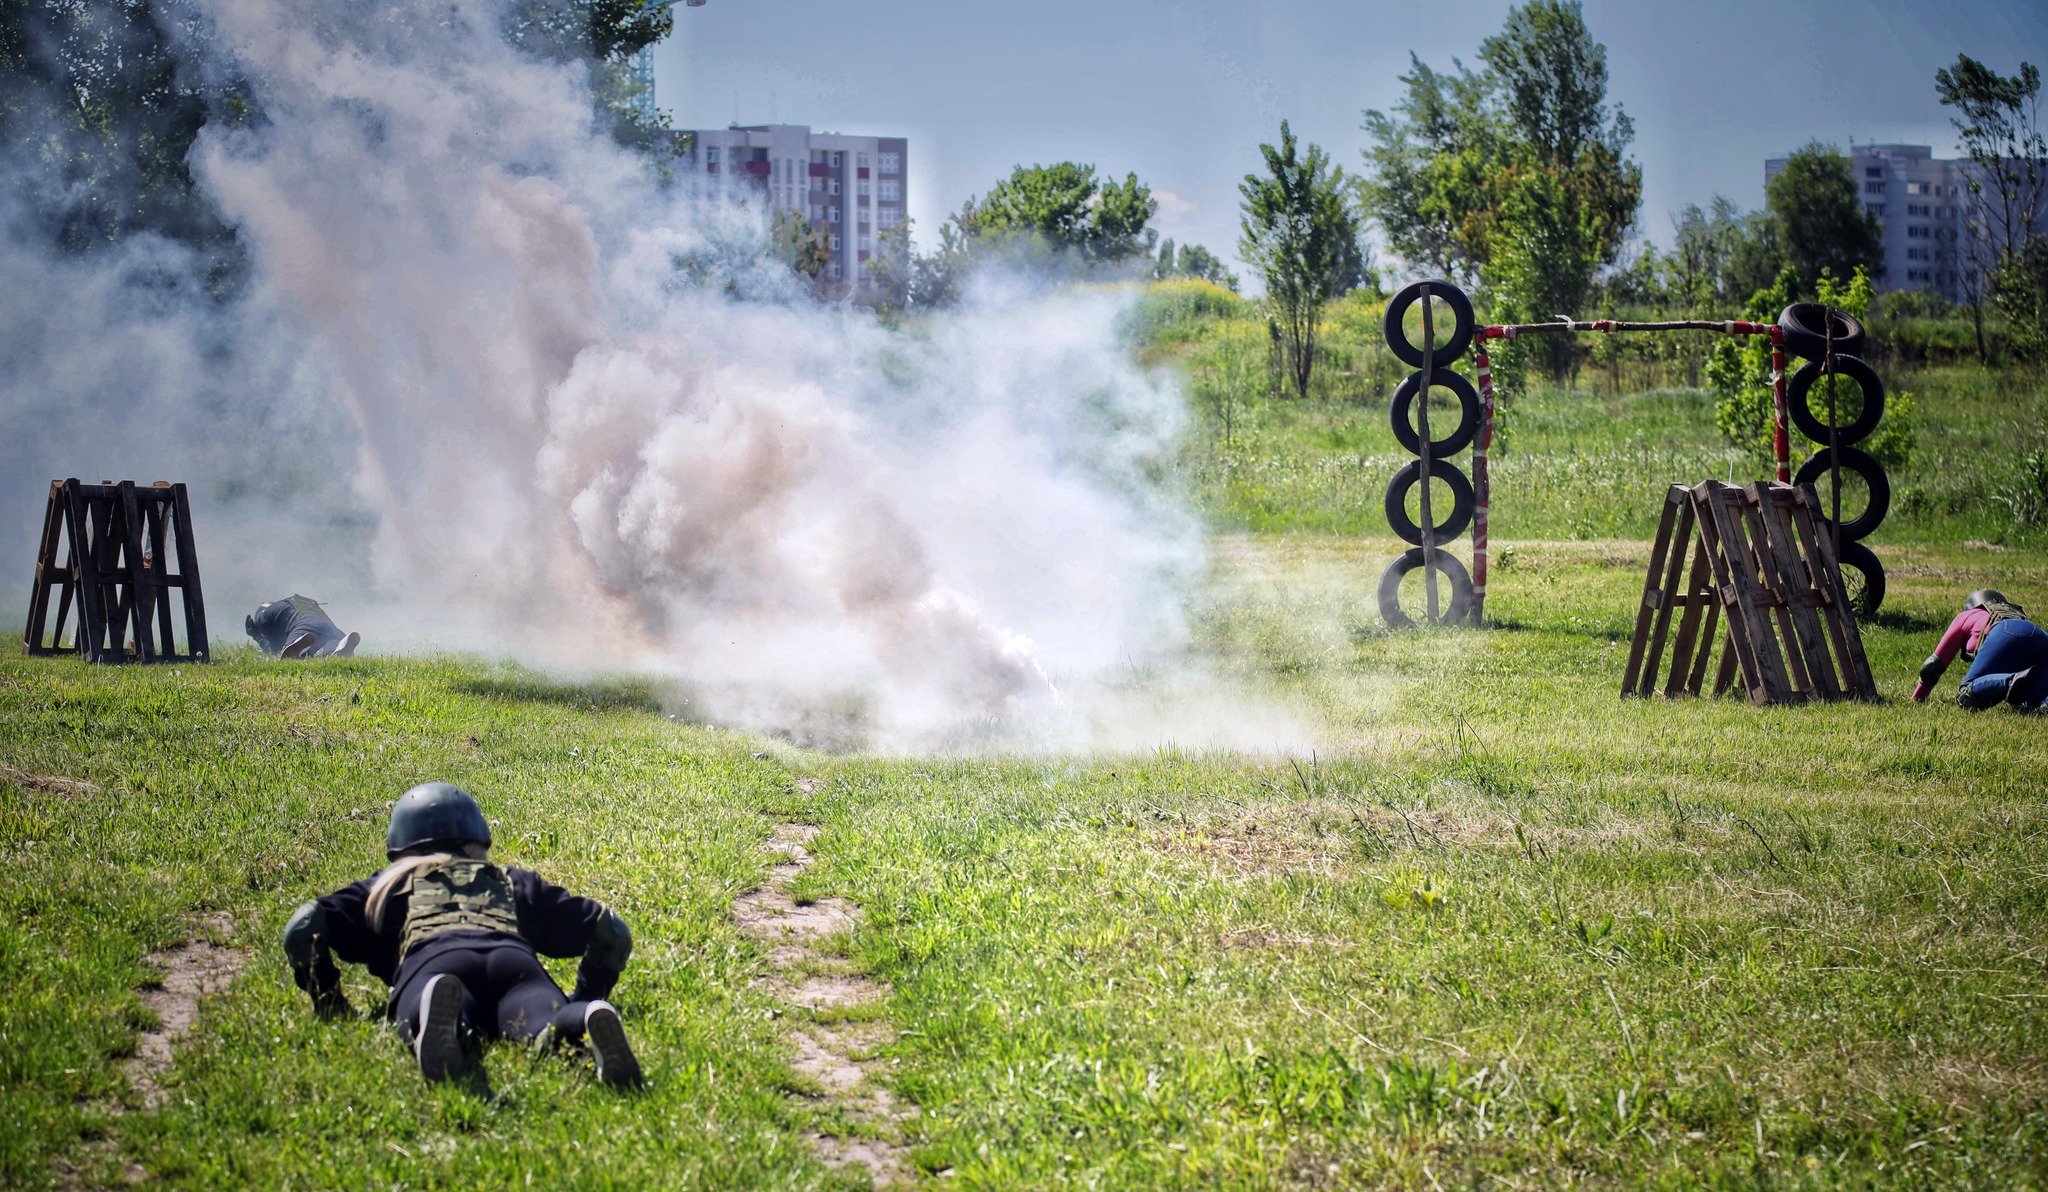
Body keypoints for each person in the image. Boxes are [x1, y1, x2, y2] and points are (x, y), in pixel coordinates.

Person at [282, 782, 642, 1085]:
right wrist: (586, 993)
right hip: (513, 964)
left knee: (436, 1000)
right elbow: (611, 931)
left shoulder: (390, 887)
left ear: (402, 845)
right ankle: (584, 1018)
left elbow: (303, 927)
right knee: (543, 1021)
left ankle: (439, 1017)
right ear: (479, 839)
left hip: (435, 962)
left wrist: (329, 1000)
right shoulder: (512, 881)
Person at [1911, 588, 2044, 711]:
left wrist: (1918, 698)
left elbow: (1933, 666)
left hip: (2003, 630)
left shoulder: (1968, 615)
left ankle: (2011, 680)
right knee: (2039, 697)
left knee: (1965, 696)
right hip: (2040, 635)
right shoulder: (2014, 612)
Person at [247, 594, 360, 658]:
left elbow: (273, 649)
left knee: (289, 653)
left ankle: (302, 652)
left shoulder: (265, 616)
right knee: (332, 644)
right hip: (330, 628)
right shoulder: (295, 603)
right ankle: (338, 647)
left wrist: (257, 637)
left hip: (304, 625)